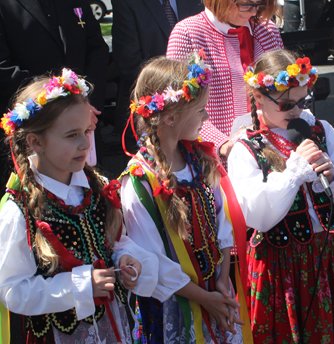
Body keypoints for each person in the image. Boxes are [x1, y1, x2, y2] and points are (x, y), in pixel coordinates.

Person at [0, 69, 159, 343]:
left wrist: (126, 257)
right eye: (72, 135)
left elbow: (115, 241)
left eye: (87, 131)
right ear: (35, 142)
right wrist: (82, 286)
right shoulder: (19, 210)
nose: (85, 144)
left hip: (113, 326)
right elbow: (14, 290)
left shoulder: (95, 186)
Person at [228, 49, 334, 343]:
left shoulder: (321, 130)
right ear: (259, 98)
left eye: (304, 102)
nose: (296, 111)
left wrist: (332, 175)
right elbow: (256, 214)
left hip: (323, 256)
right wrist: (292, 174)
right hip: (277, 262)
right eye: (287, 104)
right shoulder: (246, 147)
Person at [120, 53, 251, 343]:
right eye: (201, 110)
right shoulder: (139, 182)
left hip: (214, 288)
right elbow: (153, 260)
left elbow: (222, 220)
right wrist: (206, 298)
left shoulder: (199, 159)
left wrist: (222, 278)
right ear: (170, 117)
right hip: (176, 303)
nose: (207, 117)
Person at [0, 0, 109, 184]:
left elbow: (97, 50)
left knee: (91, 197)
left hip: (85, 120)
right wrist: (58, 103)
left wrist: (83, 102)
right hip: (36, 127)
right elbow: (4, 68)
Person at [167, 0, 283, 161]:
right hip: (215, 161)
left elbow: (285, 93)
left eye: (260, 4)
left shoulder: (268, 30)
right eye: (246, 4)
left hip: (271, 153)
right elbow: (179, 107)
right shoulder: (188, 32)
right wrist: (222, 144)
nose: (254, 12)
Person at [111, 0, 204, 152]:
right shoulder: (128, 3)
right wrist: (172, 99)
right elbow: (128, 62)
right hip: (151, 116)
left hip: (194, 116)